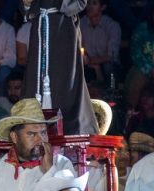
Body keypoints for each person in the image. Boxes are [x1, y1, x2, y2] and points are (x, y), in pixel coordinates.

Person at [21, 0, 98, 135]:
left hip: (63, 26)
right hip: (41, 26)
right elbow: (29, 6)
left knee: (64, 78)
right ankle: (32, 126)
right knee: (36, 75)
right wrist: (27, 4)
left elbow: (80, 2)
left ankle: (67, 128)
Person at [79, 0, 122, 84]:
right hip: (88, 64)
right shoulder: (81, 23)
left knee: (110, 68)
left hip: (106, 65)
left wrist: (93, 62)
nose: (89, 7)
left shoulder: (112, 26)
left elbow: (111, 56)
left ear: (103, 7)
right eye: (88, 3)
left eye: (94, 3)